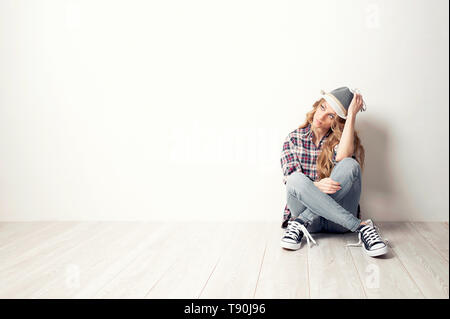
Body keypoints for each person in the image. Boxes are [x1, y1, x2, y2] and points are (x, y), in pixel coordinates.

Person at [279, 87, 388, 257]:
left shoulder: (339, 140)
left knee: (350, 165)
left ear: (337, 122)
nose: (321, 117)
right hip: (312, 224)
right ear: (317, 105)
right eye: (322, 108)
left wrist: (351, 115)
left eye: (331, 116)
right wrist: (316, 186)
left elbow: (344, 158)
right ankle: (361, 227)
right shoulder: (293, 139)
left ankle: (300, 221)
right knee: (295, 179)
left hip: (337, 221)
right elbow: (291, 181)